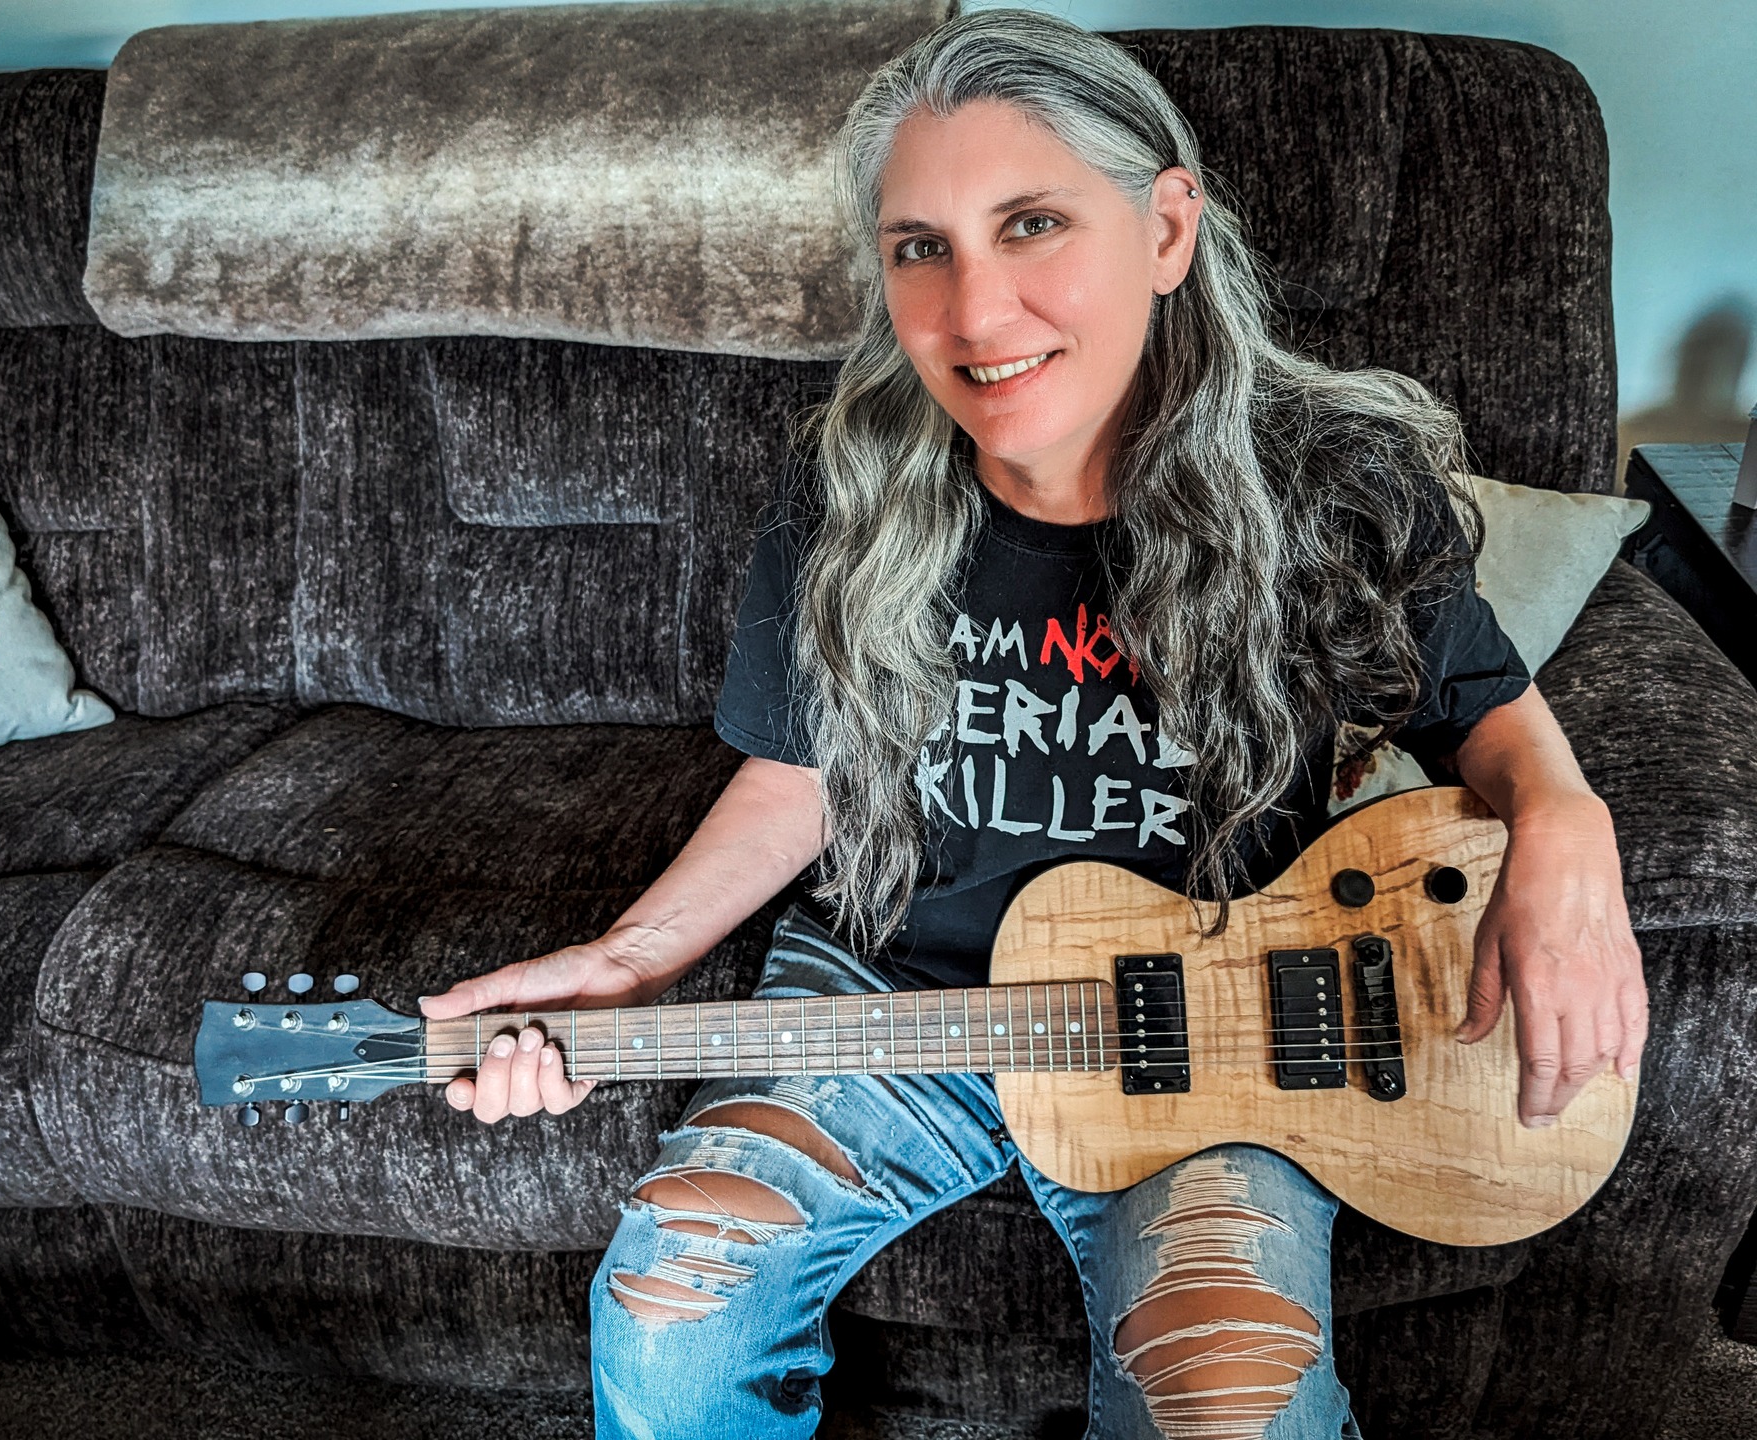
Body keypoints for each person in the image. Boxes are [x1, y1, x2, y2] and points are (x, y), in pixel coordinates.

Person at [420, 12, 1648, 1438]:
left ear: (1168, 228)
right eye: (919, 247)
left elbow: (1485, 710)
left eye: (1033, 224)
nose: (974, 313)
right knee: (672, 1301)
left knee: (1235, 1400)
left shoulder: (1333, 483)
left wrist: (1568, 820)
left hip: (1214, 1025)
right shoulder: (849, 492)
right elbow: (801, 772)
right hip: (894, 997)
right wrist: (631, 965)